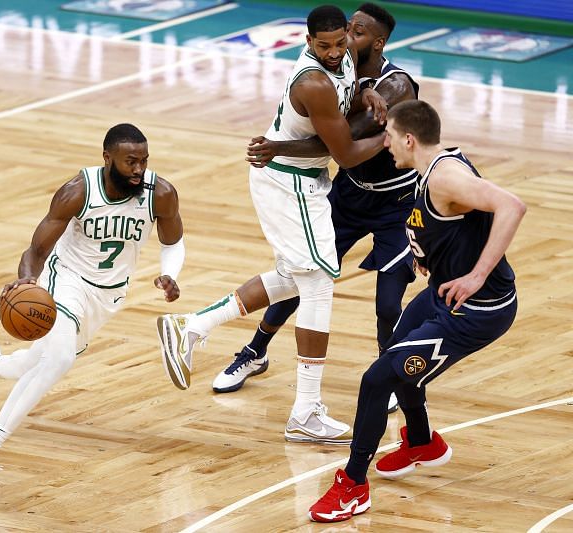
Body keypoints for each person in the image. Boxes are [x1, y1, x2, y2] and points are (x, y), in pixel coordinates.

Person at [156, 5, 388, 445]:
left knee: (291, 277)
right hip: (289, 184)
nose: (336, 52)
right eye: (325, 46)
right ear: (307, 42)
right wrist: (391, 132)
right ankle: (305, 410)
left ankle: (193, 327)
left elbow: (346, 96)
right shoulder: (312, 81)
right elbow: (347, 154)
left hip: (301, 179)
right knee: (318, 283)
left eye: (341, 42)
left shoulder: (342, 63)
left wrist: (367, 96)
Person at [0, 123, 185, 497]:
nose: (138, 169)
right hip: (64, 282)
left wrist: (169, 275)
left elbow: (174, 242)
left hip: (107, 296)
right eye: (130, 161)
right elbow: (36, 249)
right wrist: (27, 281)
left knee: (30, 364)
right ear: (107, 158)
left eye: (144, 161)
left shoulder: (160, 194)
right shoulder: (78, 191)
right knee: (58, 361)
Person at [308, 99, 526, 522]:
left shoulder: (445, 176)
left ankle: (353, 486)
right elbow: (448, 223)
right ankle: (423, 442)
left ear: (409, 139)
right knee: (396, 352)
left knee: (376, 379)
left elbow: (511, 206)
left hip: (476, 310)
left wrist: (477, 275)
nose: (384, 143)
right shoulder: (430, 167)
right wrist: (424, 252)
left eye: (388, 135)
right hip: (444, 293)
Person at [213, 3, 418, 418]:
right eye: (345, 32)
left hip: (395, 201)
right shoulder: (338, 71)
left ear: (376, 42)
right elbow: (331, 137)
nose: (345, 42)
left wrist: (277, 149)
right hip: (349, 193)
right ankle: (255, 352)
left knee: (387, 303)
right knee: (301, 275)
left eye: (356, 35)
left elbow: (337, 148)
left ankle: (391, 373)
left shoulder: (397, 86)